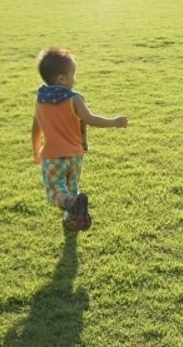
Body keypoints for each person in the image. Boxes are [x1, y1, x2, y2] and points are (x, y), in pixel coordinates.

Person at [31, 47, 128, 231]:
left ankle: (70, 206)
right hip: (75, 156)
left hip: (52, 157)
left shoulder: (40, 100)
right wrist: (114, 122)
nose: (74, 79)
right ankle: (72, 219)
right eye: (72, 75)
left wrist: (36, 152)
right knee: (72, 189)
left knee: (56, 193)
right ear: (61, 79)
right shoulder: (75, 99)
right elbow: (91, 120)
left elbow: (36, 129)